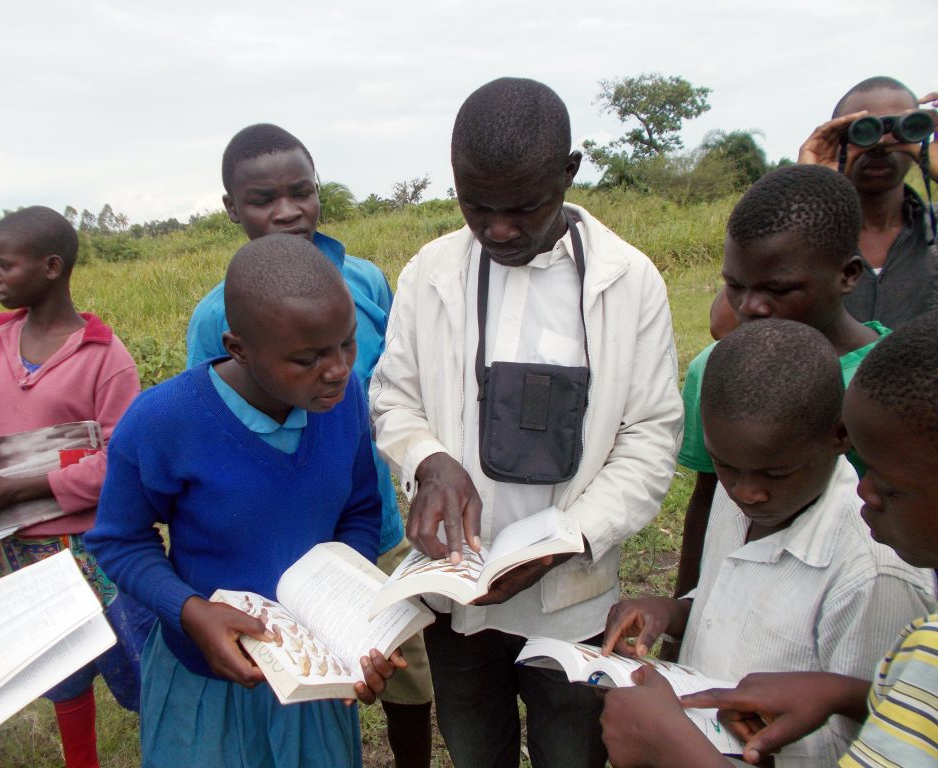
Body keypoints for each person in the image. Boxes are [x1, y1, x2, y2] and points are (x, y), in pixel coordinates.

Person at [368, 77, 683, 767]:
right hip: (458, 595)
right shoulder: (431, 273)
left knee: (571, 749)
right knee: (475, 747)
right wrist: (427, 460)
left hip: (571, 603)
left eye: (523, 207)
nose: (499, 230)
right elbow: (393, 396)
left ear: (569, 173)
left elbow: (649, 437)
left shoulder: (628, 283)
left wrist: (570, 539)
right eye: (476, 206)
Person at [86, 235, 403, 768]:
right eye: (307, 358)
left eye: (347, 344)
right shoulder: (164, 422)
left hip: (312, 680)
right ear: (239, 349)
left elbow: (359, 511)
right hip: (207, 681)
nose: (337, 369)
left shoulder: (342, 400)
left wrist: (348, 623)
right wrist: (189, 611)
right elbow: (120, 540)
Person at [186, 123, 433, 766]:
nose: (288, 211)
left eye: (301, 191)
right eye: (264, 199)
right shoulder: (217, 317)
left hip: (371, 518)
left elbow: (393, 387)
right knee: (301, 667)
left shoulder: (367, 283)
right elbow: (210, 429)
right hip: (281, 534)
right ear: (231, 208)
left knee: (402, 667)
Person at [599, 310, 938, 768]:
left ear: (840, 436)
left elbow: (883, 730)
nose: (747, 492)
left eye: (775, 474)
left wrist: (669, 745)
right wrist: (675, 612)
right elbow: (740, 599)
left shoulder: (876, 575)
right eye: (725, 466)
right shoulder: (741, 491)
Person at [0, 206, 150, 768]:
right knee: (57, 669)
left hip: (88, 549)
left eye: (4, 265)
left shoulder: (105, 358)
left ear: (51, 267)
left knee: (136, 662)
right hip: (9, 549)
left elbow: (121, 463)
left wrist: (17, 489)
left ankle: (170, 747)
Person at [674, 165, 887, 601]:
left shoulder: (892, 384)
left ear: (848, 274)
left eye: (779, 289)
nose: (750, 307)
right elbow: (706, 500)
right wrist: (684, 613)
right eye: (735, 285)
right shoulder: (715, 371)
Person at [710, 77, 938, 339]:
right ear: (836, 139)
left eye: (902, 129)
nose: (880, 146)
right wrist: (806, 184)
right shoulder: (804, 236)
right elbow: (723, 327)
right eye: (862, 131)